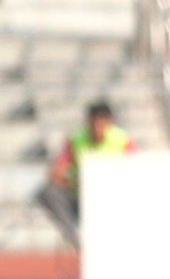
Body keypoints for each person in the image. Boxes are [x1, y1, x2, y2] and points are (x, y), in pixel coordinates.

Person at [36, 99, 135, 248]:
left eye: (103, 123)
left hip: (112, 198)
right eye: (95, 123)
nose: (99, 128)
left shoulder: (123, 140)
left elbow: (137, 171)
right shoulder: (76, 140)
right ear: (88, 122)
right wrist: (73, 180)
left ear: (110, 122)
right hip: (80, 195)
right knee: (48, 192)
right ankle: (75, 236)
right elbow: (56, 172)